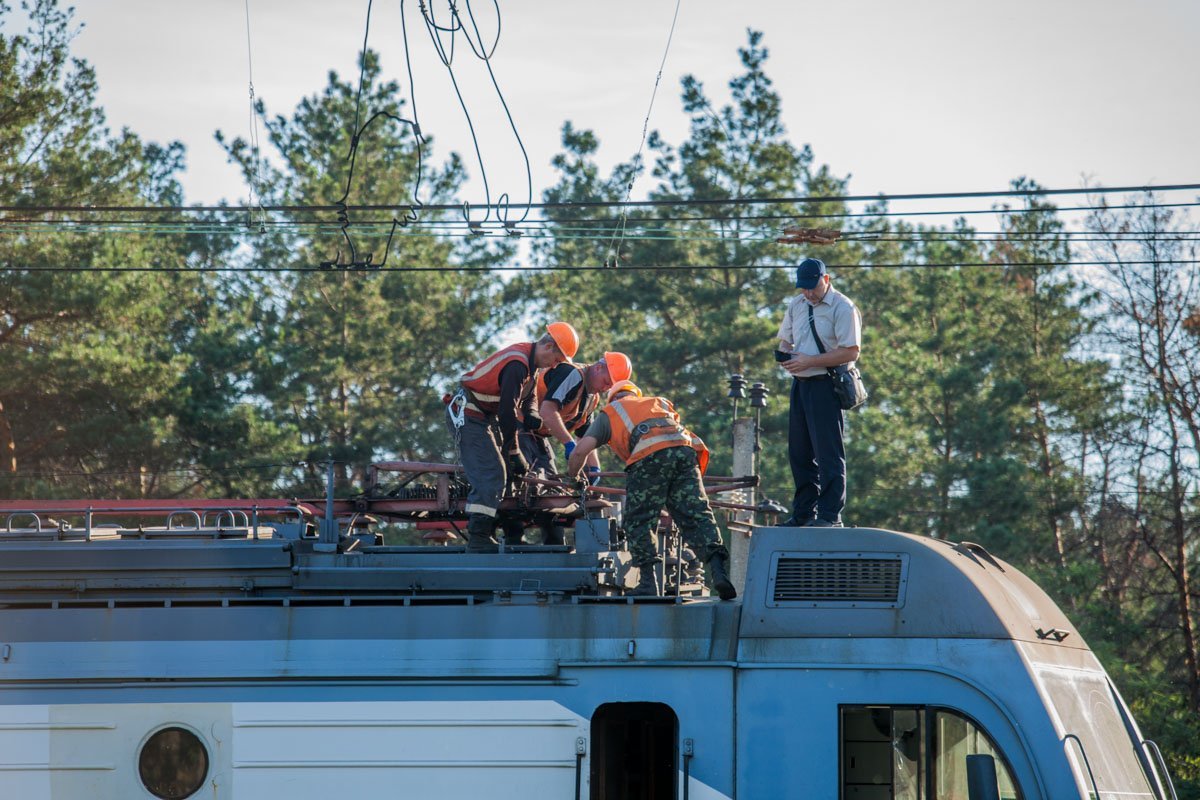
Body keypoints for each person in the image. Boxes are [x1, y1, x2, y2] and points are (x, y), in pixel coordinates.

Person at [566, 381, 736, 600]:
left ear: (613, 398)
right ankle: (719, 572)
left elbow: (580, 453)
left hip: (650, 455)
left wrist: (574, 478)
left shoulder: (611, 412)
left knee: (638, 520)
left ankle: (649, 582)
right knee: (697, 514)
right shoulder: (657, 402)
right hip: (685, 451)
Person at [448, 322, 579, 552]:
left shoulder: (532, 365)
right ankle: (479, 536)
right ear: (548, 347)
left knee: (505, 472)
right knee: (492, 472)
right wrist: (513, 450)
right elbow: (507, 412)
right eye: (557, 359)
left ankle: (496, 529)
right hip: (468, 415)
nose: (556, 365)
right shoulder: (517, 363)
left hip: (483, 417)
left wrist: (531, 414)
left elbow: (527, 398)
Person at [776, 257, 861, 527]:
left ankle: (829, 514)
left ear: (826, 280)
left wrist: (809, 361)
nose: (808, 293)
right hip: (800, 384)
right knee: (799, 453)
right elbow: (785, 339)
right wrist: (787, 355)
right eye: (803, 288)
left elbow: (850, 351)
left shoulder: (843, 307)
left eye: (812, 287)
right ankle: (803, 513)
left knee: (828, 453)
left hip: (826, 383)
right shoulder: (797, 304)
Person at [514, 352, 633, 544]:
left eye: (611, 385)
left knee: (552, 488)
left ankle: (553, 543)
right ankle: (514, 538)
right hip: (518, 425)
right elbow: (547, 411)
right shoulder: (573, 374)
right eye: (606, 381)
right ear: (598, 368)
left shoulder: (592, 399)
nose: (606, 387)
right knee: (529, 482)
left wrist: (595, 469)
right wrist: (569, 445)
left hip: (537, 435)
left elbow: (586, 438)